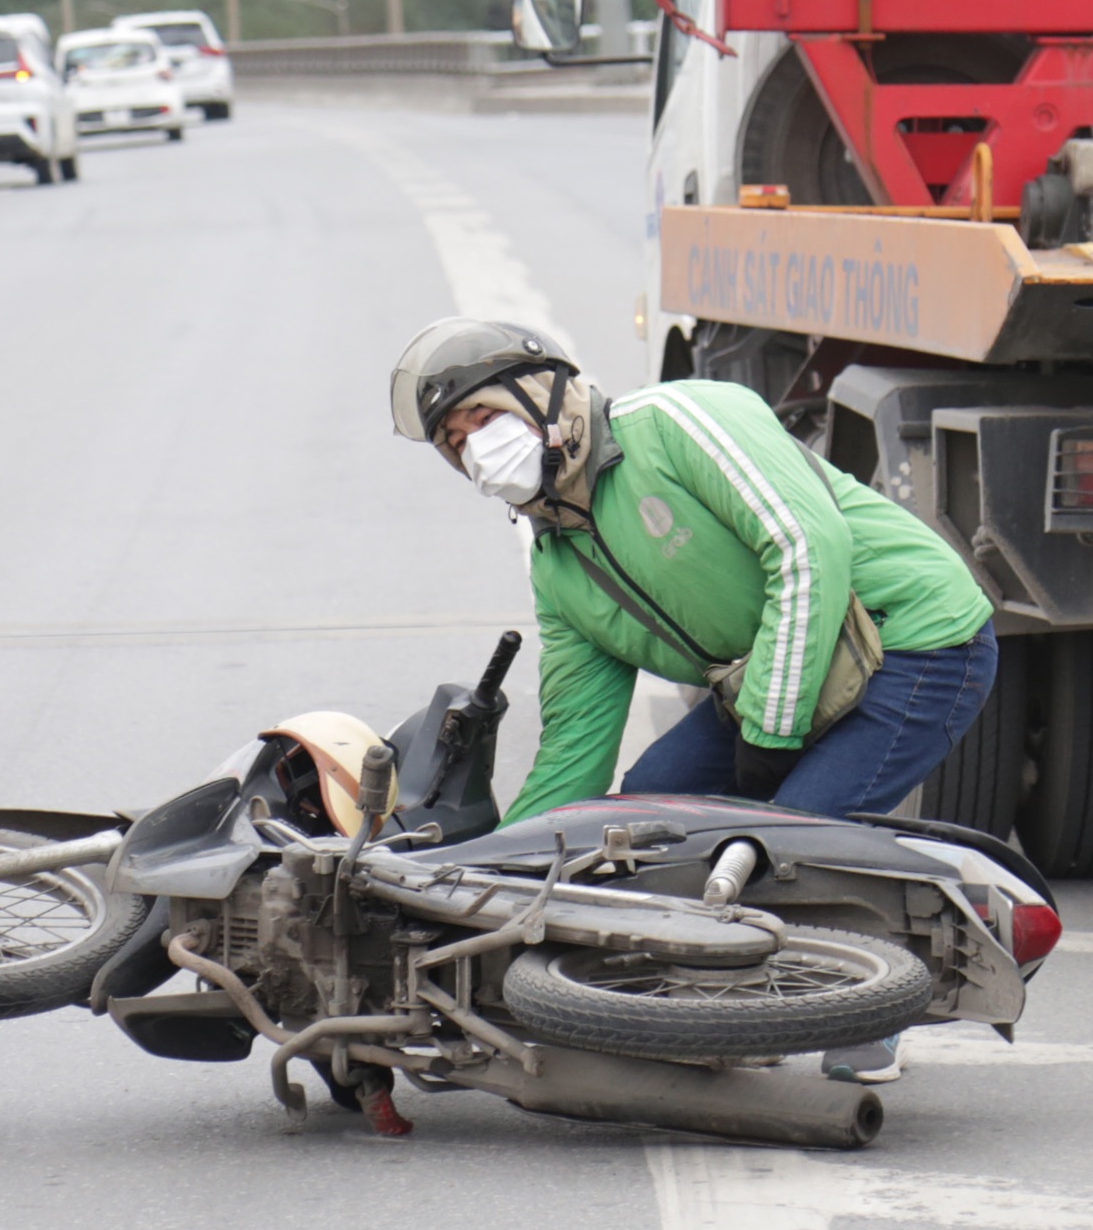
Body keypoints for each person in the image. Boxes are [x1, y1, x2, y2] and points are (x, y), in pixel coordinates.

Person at [389, 320, 1000, 1081]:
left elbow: (808, 550)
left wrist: (771, 736)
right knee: (649, 813)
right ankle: (693, 998)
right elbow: (575, 746)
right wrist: (491, 885)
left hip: (916, 642)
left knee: (785, 848)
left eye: (484, 418)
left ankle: (869, 1014)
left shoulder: (682, 424)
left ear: (543, 395)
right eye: (455, 441)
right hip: (784, 674)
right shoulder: (559, 564)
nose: (476, 447)